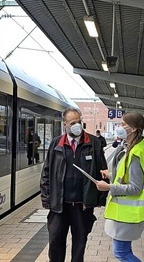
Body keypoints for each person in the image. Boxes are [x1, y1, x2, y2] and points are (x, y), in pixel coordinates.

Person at [40, 108, 109, 262]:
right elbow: (46, 173)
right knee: (55, 244)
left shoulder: (93, 143)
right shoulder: (56, 144)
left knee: (79, 246)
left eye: (79, 121)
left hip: (82, 207)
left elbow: (103, 172)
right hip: (59, 206)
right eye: (73, 123)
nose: (77, 125)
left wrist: (99, 199)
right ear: (65, 125)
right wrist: (47, 200)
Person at [96, 112, 144, 262]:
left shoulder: (136, 153)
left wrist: (108, 187)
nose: (119, 127)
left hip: (128, 214)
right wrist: (111, 175)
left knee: (121, 253)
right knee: (125, 251)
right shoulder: (132, 147)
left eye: (123, 125)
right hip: (126, 213)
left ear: (133, 129)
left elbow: (135, 187)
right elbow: (125, 176)